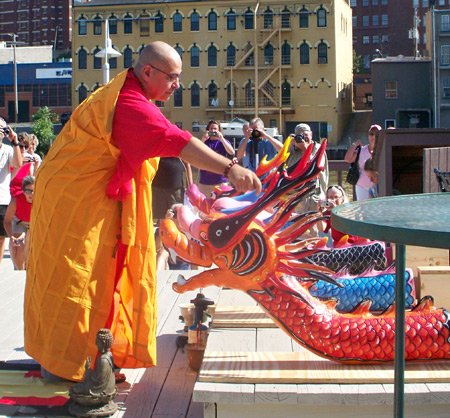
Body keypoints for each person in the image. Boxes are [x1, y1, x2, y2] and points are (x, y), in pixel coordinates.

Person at [24, 41, 261, 382]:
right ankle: (67, 366)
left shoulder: (127, 90)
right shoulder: (130, 104)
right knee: (75, 280)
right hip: (73, 202)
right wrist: (230, 169)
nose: (177, 86)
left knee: (95, 278)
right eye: (172, 78)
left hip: (75, 195)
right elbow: (176, 140)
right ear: (148, 71)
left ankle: (93, 358)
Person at [285, 123, 328, 237]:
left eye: (305, 134)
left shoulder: (317, 148)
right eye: (299, 135)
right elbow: (285, 167)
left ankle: (314, 251)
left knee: (312, 228)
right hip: (295, 196)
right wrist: (288, 146)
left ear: (311, 134)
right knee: (295, 228)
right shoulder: (293, 150)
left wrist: (305, 149)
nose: (303, 137)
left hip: (313, 195)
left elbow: (315, 167)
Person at [0, 117, 22, 264]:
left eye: (3, 128)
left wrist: (14, 141)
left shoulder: (8, 150)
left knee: (1, 238)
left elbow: (18, 164)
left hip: (2, 199)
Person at [4, 175, 34, 270]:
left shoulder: (42, 199)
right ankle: (19, 269)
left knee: (30, 247)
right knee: (17, 245)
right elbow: (7, 221)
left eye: (34, 191)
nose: (32, 194)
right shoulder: (16, 200)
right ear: (23, 191)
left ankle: (29, 269)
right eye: (28, 191)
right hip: (19, 221)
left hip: (34, 222)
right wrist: (11, 236)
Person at [198, 120, 235, 197]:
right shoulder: (204, 142)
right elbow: (196, 151)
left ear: (219, 130)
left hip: (220, 181)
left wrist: (221, 139)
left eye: (215, 129)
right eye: (211, 129)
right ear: (208, 130)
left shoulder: (224, 142)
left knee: (221, 205)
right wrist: (203, 139)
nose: (213, 131)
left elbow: (231, 152)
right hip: (205, 182)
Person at [344, 124, 381, 200]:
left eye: (376, 134)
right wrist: (355, 144)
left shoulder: (383, 150)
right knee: (362, 209)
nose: (373, 136)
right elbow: (348, 159)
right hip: (362, 186)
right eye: (371, 134)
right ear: (368, 136)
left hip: (378, 186)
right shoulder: (362, 150)